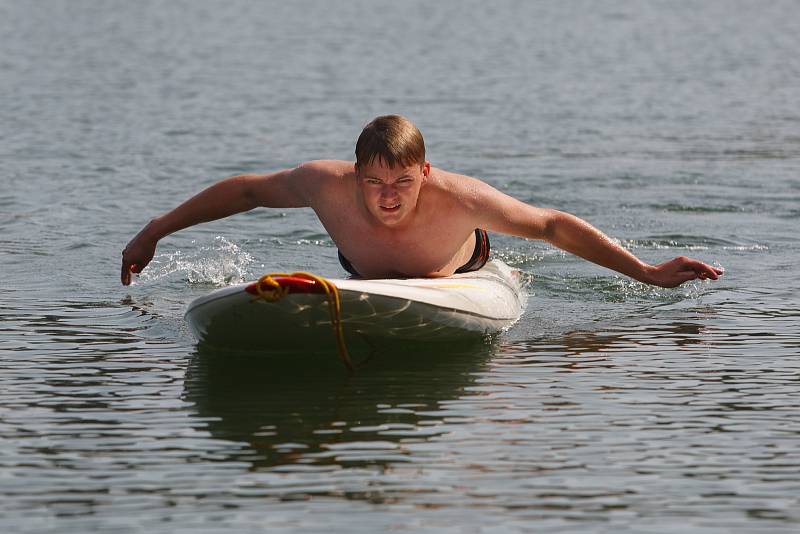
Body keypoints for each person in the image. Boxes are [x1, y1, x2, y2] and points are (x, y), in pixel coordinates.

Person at [121, 115, 723, 287]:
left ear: (425, 173)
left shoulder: (461, 199)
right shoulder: (321, 183)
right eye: (374, 182)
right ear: (355, 173)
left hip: (460, 268)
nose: (388, 197)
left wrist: (646, 272)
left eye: (403, 183)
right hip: (363, 272)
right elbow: (248, 190)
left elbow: (552, 226)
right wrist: (157, 229)